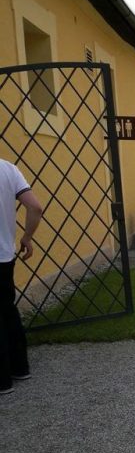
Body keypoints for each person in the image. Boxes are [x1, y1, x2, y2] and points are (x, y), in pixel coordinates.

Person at [1, 159, 42, 395]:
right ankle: (19, 366)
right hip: (6, 254)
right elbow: (35, 206)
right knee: (7, 309)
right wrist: (27, 237)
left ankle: (2, 380)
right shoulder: (8, 169)